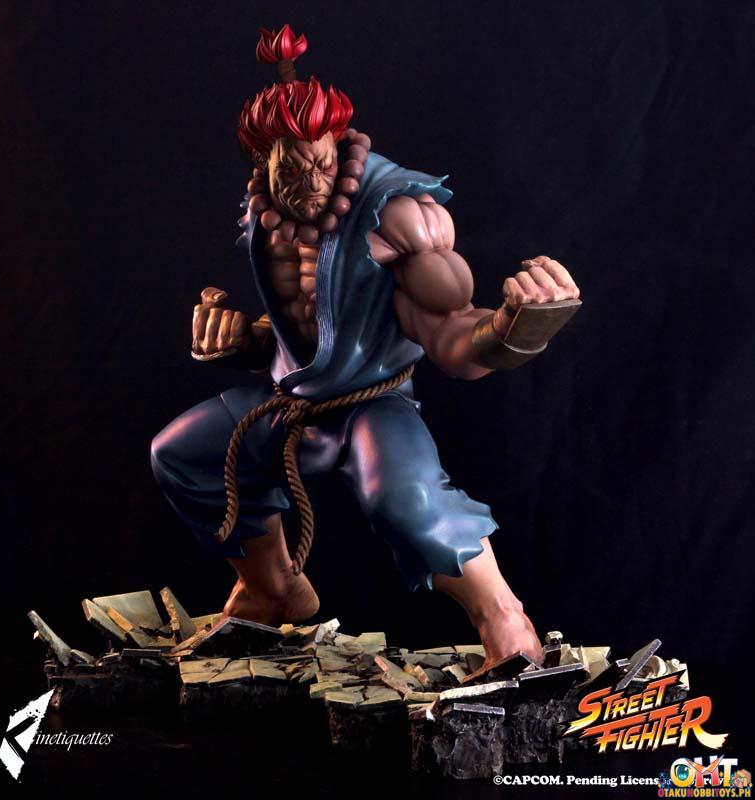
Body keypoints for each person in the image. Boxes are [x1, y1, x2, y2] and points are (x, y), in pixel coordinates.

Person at [151, 25, 580, 677]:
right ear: (263, 161)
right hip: (295, 401)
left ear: (340, 148)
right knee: (184, 454)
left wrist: (517, 329)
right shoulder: (264, 211)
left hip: (373, 405)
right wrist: (244, 342)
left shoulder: (396, 217)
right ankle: (272, 589)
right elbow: (318, 328)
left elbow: (450, 334)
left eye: (322, 164)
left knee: (407, 501)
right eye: (292, 169)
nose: (309, 180)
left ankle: (506, 622)